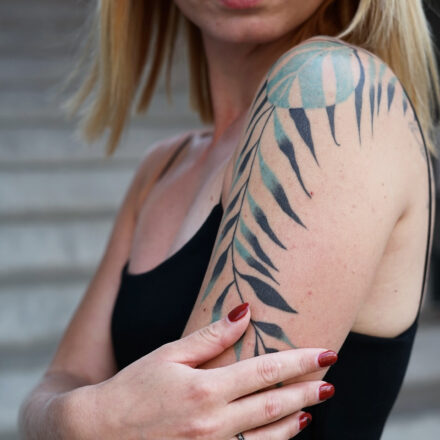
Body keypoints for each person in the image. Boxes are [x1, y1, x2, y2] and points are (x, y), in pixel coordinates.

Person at [19, 0, 439, 439]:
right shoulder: (163, 167)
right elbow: (58, 382)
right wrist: (86, 418)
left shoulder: (330, 90)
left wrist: (74, 417)